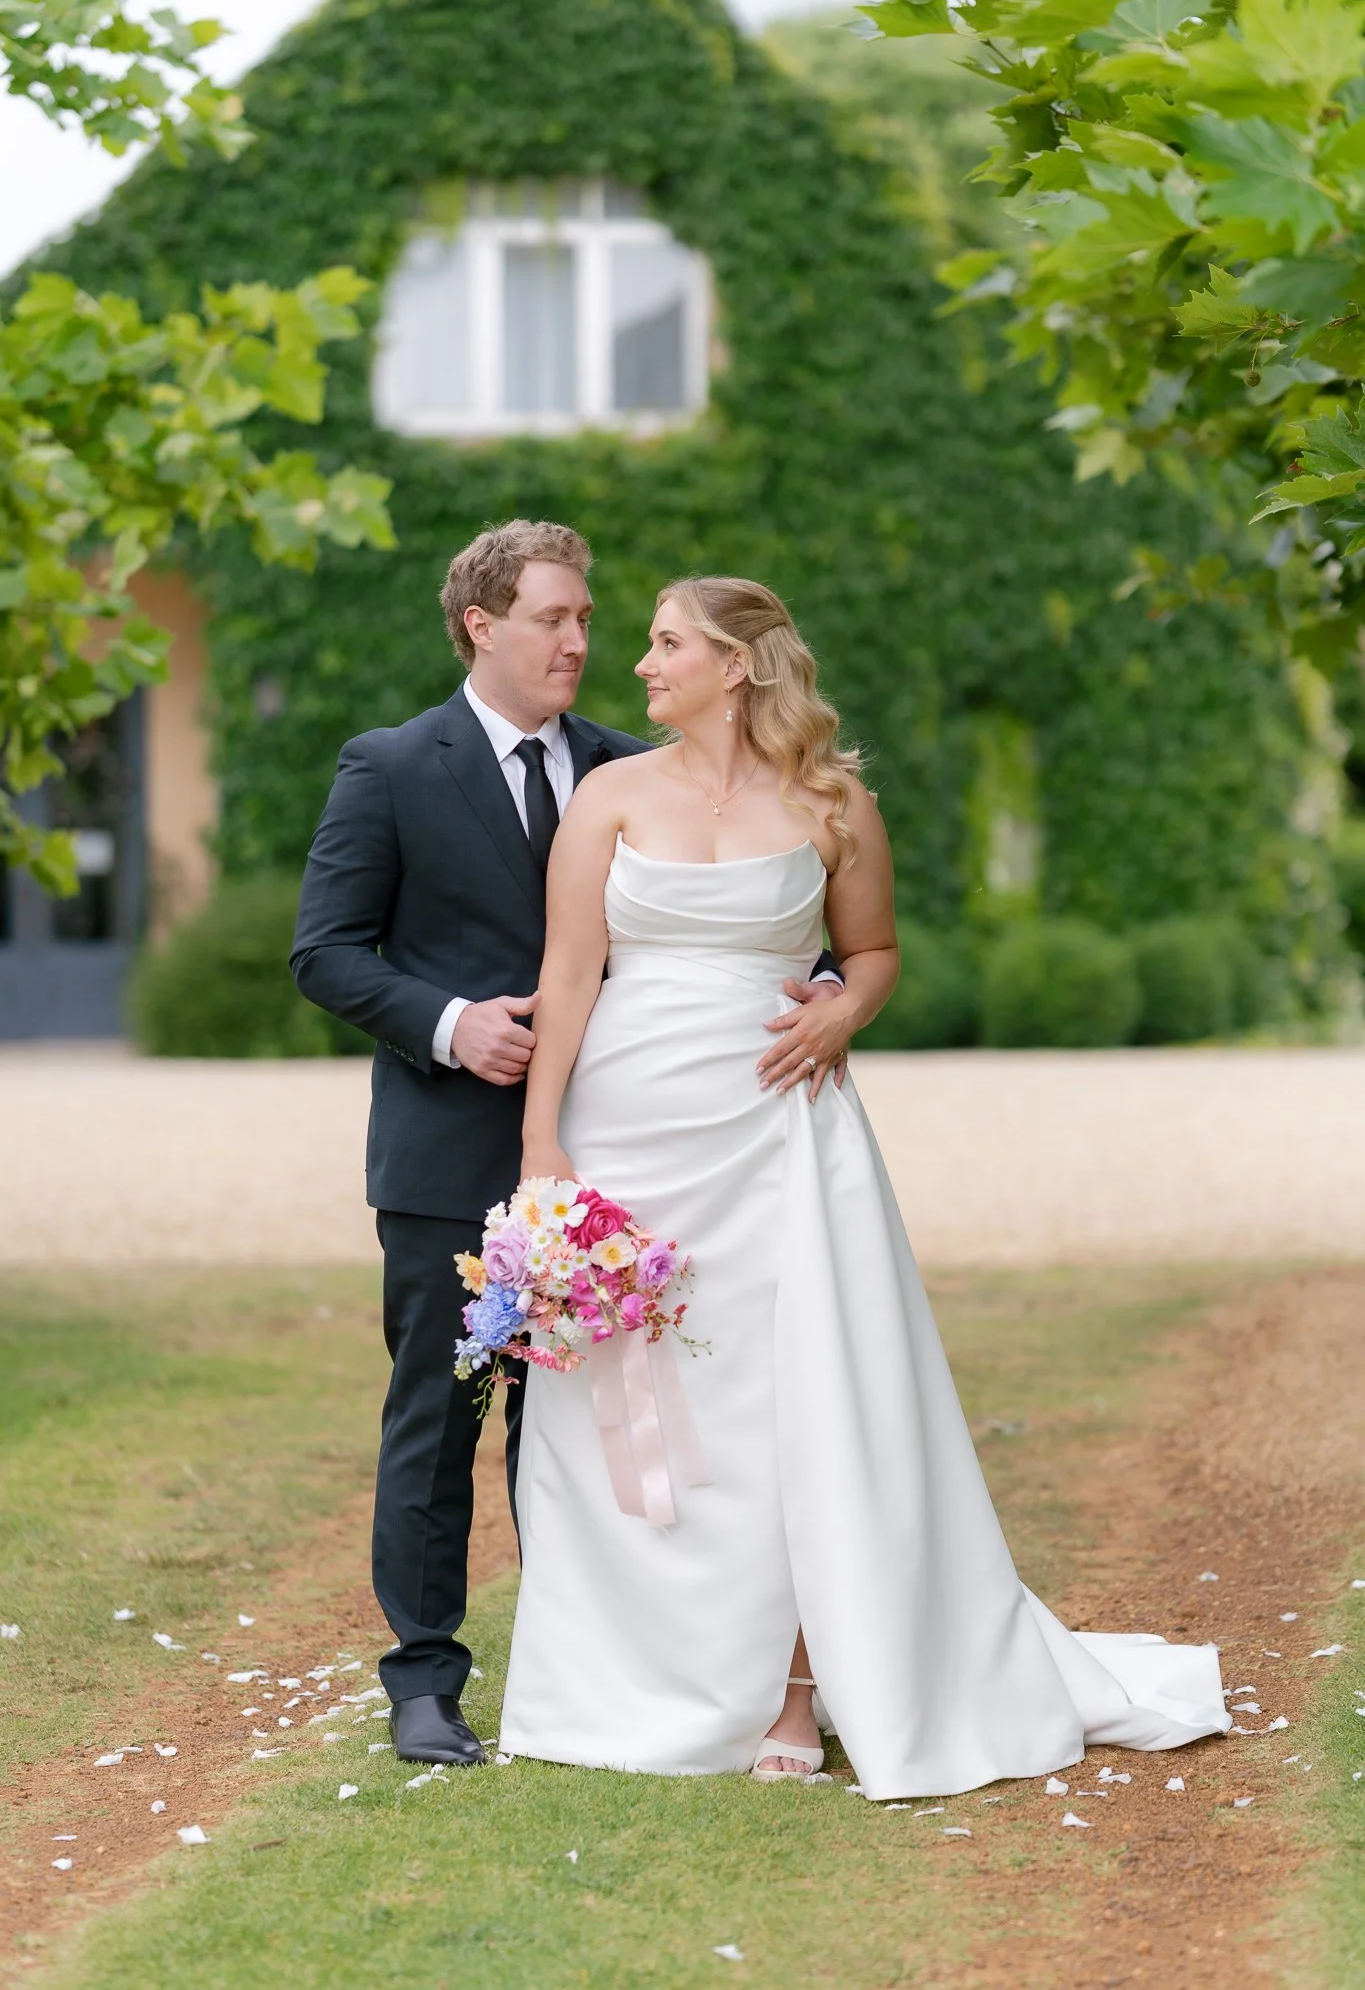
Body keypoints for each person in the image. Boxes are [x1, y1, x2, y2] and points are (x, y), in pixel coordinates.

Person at [501, 574, 1232, 1796]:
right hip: (631, 1134)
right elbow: (569, 974)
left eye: (666, 642)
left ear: (736, 665)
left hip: (783, 1133)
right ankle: (626, 1678)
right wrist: (542, 1147)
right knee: (639, 1405)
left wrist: (844, 1010)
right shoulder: (607, 799)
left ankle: (795, 1691)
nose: (640, 663)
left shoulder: (836, 804)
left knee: (802, 1399)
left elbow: (876, 952)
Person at [290, 525, 841, 1768]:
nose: (581, 642)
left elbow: (722, 898)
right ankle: (425, 1679)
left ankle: (591, 1667)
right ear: (482, 624)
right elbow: (324, 949)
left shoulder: (627, 764)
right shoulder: (389, 765)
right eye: (554, 618)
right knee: (438, 1419)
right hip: (449, 1155)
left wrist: (821, 989)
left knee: (598, 1427)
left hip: (626, 1153)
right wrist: (450, 1023)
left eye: (591, 617)